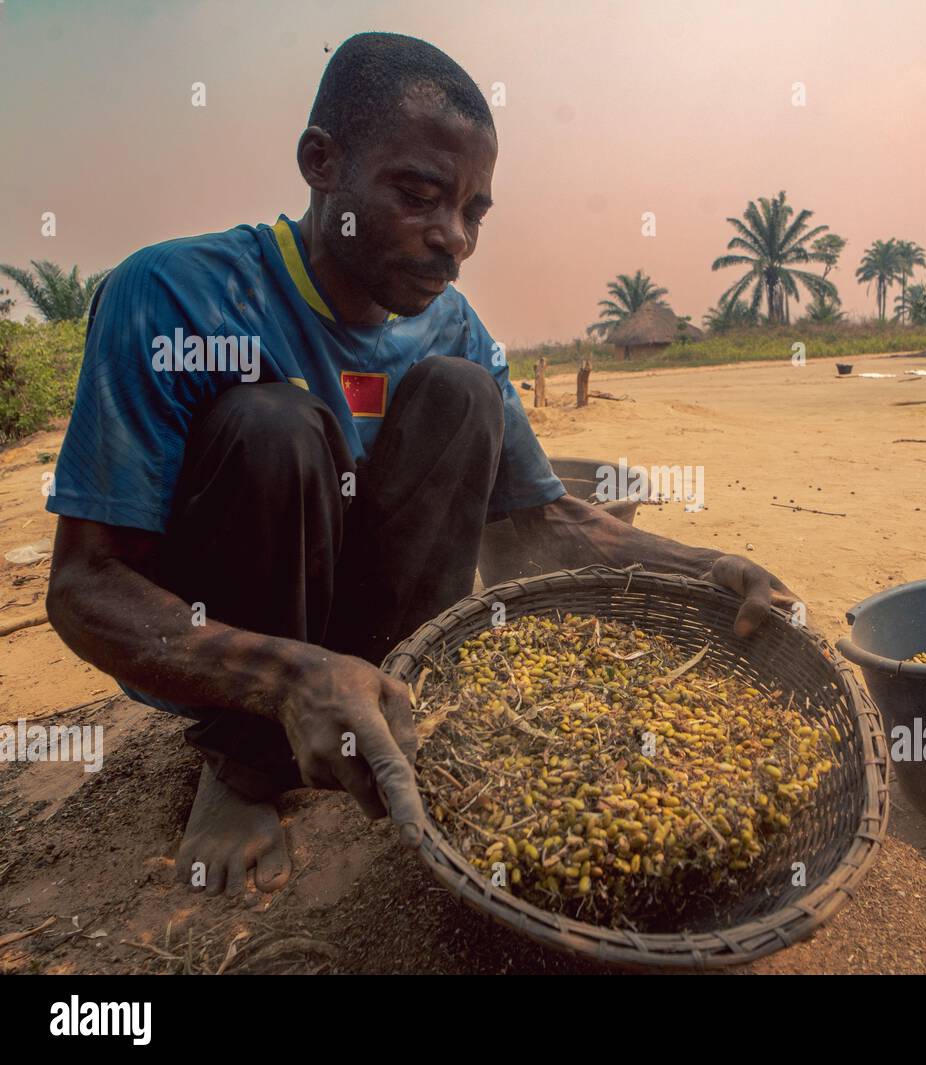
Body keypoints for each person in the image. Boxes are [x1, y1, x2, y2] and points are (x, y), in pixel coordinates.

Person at [45, 32, 795, 899]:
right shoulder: (179, 295)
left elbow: (542, 522)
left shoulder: (454, 328)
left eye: (475, 212)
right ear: (321, 163)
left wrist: (710, 569)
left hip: (367, 634)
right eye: (420, 196)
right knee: (274, 424)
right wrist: (288, 676)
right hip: (237, 644)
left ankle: (391, 699)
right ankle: (242, 768)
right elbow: (85, 584)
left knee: (463, 393)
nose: (455, 240)